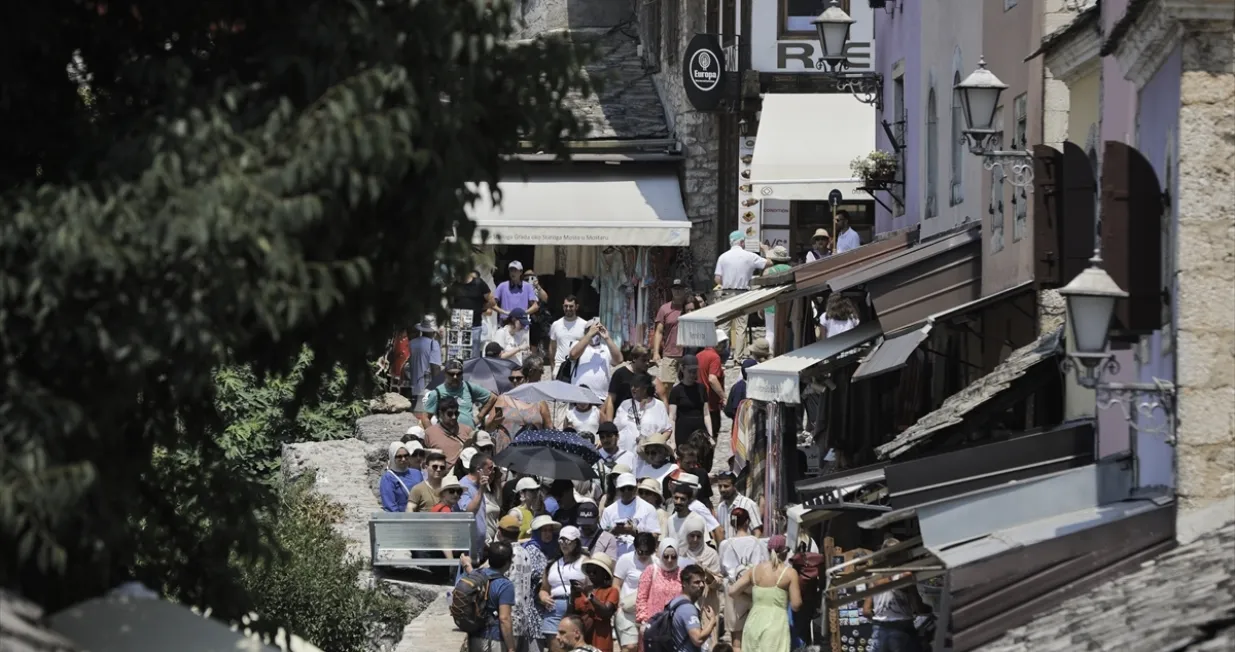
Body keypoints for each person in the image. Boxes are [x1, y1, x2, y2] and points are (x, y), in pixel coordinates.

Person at [460, 516, 546, 652]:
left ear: (499, 532)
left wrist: (467, 565)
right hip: (523, 621)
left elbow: (481, 577)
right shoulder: (526, 553)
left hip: (504, 624)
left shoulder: (502, 553)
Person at [729, 535, 802, 652]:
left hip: (753, 623)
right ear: (785, 552)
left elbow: (732, 591)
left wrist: (752, 599)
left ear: (768, 551)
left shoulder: (754, 570)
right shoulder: (789, 573)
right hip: (776, 625)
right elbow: (796, 605)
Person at [864, 537, 928, 652]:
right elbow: (918, 606)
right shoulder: (905, 575)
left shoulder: (875, 576)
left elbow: (866, 611)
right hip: (901, 628)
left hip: (879, 629)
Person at [714, 231, 771, 359]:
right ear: (741, 242)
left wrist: (728, 281)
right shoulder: (749, 256)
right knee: (741, 327)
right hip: (742, 294)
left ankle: (722, 356)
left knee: (724, 326)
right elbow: (768, 263)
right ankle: (737, 358)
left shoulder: (723, 257)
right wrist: (766, 250)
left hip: (726, 293)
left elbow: (717, 279)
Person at [718, 507, 767, 652]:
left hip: (733, 590)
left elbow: (722, 570)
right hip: (754, 590)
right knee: (755, 637)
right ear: (747, 522)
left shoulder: (725, 544)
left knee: (736, 641)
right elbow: (764, 566)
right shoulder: (757, 542)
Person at [538, 526, 587, 652]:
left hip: (576, 608)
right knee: (555, 646)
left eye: (568, 541)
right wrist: (543, 596)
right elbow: (544, 588)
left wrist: (583, 589)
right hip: (554, 608)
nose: (564, 544)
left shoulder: (585, 561)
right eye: (561, 540)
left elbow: (592, 586)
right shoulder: (552, 564)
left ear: (576, 542)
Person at [466, 540, 517, 652]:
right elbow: (504, 618)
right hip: (493, 640)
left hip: (474, 638)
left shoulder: (477, 575)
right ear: (508, 562)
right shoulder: (505, 585)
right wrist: (511, 647)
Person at [419, 358, 497, 430]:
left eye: (459, 374)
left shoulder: (469, 387)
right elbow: (425, 417)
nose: (455, 377)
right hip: (448, 436)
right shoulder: (437, 393)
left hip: (470, 433)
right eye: (451, 374)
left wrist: (479, 417)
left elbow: (492, 397)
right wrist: (433, 435)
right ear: (445, 374)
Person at [599, 473, 661, 558]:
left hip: (640, 557)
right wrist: (613, 531)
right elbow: (601, 540)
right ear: (617, 490)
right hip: (614, 557)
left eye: (630, 488)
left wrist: (634, 532)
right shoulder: (608, 510)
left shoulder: (648, 508)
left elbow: (655, 537)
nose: (626, 491)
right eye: (623, 489)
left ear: (636, 489)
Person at [490, 357, 552, 442]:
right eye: (511, 379)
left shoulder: (540, 402)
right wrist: (494, 423)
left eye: (519, 378)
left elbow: (549, 428)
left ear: (526, 378)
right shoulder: (503, 399)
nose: (515, 381)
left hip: (532, 450)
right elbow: (488, 427)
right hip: (506, 451)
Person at [613, 532, 655, 652]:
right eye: (640, 551)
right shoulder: (625, 559)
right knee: (630, 647)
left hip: (648, 611)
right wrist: (617, 607)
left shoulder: (656, 562)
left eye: (648, 552)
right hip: (626, 611)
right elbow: (616, 585)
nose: (643, 555)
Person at [605, 345, 669, 420]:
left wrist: (664, 420)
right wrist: (609, 423)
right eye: (643, 360)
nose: (647, 363)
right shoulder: (620, 374)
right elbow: (611, 399)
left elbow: (663, 399)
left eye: (648, 360)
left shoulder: (650, 378)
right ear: (634, 359)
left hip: (642, 418)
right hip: (622, 417)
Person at [571, 553, 619, 652]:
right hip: (583, 639)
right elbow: (572, 614)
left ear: (604, 573)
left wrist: (589, 595)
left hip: (601, 639)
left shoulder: (611, 591)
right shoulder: (583, 589)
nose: (591, 574)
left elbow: (606, 612)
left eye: (595, 571)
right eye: (589, 571)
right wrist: (572, 596)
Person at [613, 374, 672, 454]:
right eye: (631, 386)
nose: (633, 388)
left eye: (636, 386)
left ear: (645, 388)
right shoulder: (625, 404)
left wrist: (657, 444)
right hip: (625, 453)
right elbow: (615, 429)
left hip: (648, 455)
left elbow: (667, 430)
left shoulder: (659, 405)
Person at [652, 279, 694, 388]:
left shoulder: (690, 307)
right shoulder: (664, 309)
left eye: (680, 289)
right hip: (670, 353)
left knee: (689, 384)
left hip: (687, 352)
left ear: (684, 290)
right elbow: (659, 331)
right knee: (666, 386)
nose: (677, 292)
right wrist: (656, 352)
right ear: (671, 290)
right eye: (675, 289)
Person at [569, 319, 620, 403]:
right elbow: (573, 355)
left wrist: (607, 338)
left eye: (598, 329)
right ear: (586, 332)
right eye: (592, 329)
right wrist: (589, 335)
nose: (595, 332)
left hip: (601, 397)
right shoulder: (576, 344)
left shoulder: (605, 348)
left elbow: (619, 360)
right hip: (579, 397)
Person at [668, 354, 711, 450]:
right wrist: (672, 440)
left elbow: (706, 414)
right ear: (682, 369)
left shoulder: (701, 388)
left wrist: (710, 435)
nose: (692, 374)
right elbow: (672, 417)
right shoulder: (676, 391)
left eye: (694, 372)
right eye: (690, 371)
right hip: (682, 432)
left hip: (699, 432)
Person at [460, 452, 495, 557]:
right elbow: (469, 512)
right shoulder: (463, 486)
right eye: (489, 468)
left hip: (479, 546)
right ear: (479, 469)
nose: (492, 471)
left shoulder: (478, 486)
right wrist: (481, 490)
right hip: (467, 549)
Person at [454, 269, 495, 359]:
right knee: (457, 358)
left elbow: (492, 302)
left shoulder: (479, 283)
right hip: (458, 327)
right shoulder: (455, 285)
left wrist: (480, 308)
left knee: (472, 358)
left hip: (474, 326)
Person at [425, 396, 475, 467]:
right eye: (450, 414)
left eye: (456, 413)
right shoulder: (429, 433)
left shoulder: (467, 430)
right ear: (441, 413)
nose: (454, 417)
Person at [406, 317, 443, 409]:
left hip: (414, 386)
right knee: (426, 415)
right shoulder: (433, 344)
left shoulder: (412, 343)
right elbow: (435, 367)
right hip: (427, 388)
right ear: (433, 331)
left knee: (416, 413)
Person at [549, 296, 588, 380]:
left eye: (571, 306)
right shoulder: (556, 324)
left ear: (576, 307)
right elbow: (552, 347)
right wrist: (553, 367)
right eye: (566, 306)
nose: (568, 308)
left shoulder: (584, 325)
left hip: (577, 367)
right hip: (559, 366)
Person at [714, 472, 763, 538]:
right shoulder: (720, 507)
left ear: (735, 486)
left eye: (726, 486)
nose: (722, 489)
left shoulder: (748, 504)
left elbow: (757, 532)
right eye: (720, 486)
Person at [695, 333, 727, 433]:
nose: (725, 346)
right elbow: (712, 379)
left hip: (699, 402)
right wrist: (724, 397)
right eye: (724, 343)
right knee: (713, 435)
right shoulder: (715, 357)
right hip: (711, 404)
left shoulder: (698, 355)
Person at [381, 440, 424, 512]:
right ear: (392, 457)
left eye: (406, 455)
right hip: (401, 518)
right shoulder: (388, 478)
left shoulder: (417, 473)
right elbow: (390, 505)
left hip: (420, 517)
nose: (403, 459)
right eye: (399, 457)